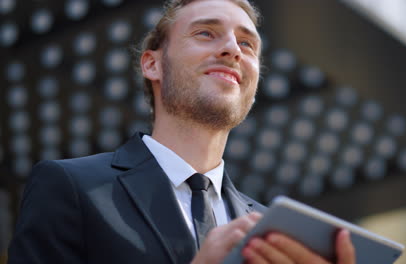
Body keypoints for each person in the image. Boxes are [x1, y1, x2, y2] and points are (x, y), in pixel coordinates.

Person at [8, 0, 356, 263]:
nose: (233, 50)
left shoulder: (275, 229)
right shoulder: (69, 187)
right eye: (206, 33)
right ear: (153, 64)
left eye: (247, 44)